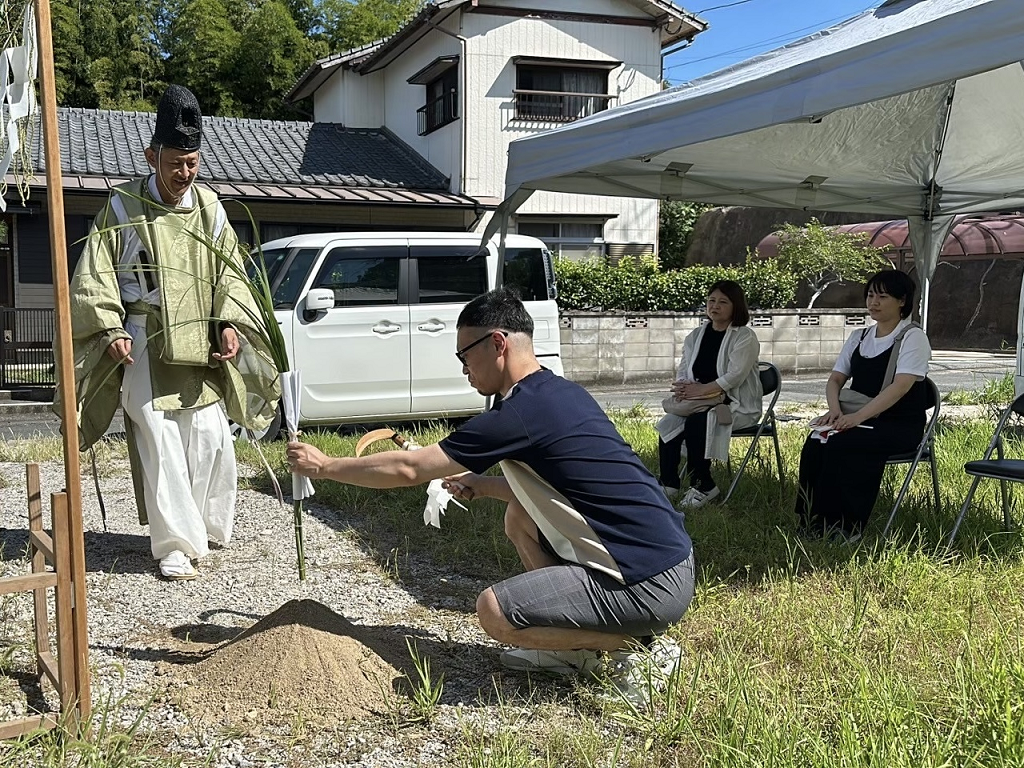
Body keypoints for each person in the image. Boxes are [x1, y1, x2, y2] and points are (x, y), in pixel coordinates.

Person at [287, 288, 696, 686]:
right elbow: (564, 490)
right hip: (670, 563)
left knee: (494, 612)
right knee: (518, 518)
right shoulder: (557, 393)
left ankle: (641, 648)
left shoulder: (519, 413)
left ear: (497, 343)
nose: (464, 368)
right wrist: (481, 485)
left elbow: (409, 468)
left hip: (647, 583)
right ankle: (576, 646)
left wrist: (323, 465)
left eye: (465, 355)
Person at [63, 84, 279, 580]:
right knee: (159, 440)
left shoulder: (208, 206)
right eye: (176, 163)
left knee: (208, 436)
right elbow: (93, 275)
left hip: (199, 336)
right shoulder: (121, 206)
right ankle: (175, 545)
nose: (184, 173)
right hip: (144, 337)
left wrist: (227, 321)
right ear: (151, 155)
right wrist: (110, 327)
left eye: (193, 162)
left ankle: (204, 524)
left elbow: (230, 272)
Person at [796, 269, 931, 542]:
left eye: (883, 296)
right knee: (816, 441)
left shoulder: (913, 337)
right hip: (856, 417)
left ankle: (846, 526)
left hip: (898, 424)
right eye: (870, 295)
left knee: (845, 443)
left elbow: (900, 386)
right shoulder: (859, 336)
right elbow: (835, 380)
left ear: (902, 301)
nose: (874, 302)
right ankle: (812, 519)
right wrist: (835, 411)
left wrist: (857, 418)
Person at [656, 280, 762, 508]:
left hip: (734, 405)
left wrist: (702, 390)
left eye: (723, 302)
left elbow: (735, 376)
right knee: (669, 423)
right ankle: (669, 484)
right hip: (698, 402)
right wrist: (685, 388)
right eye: (711, 300)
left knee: (697, 423)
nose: (715, 306)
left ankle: (704, 485)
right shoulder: (695, 335)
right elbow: (684, 370)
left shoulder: (744, 336)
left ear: (736, 306)